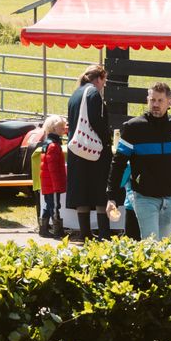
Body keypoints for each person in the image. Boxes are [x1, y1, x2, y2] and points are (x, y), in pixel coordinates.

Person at [107, 82, 171, 240]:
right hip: (144, 197)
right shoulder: (133, 127)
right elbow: (118, 163)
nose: (155, 104)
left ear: (169, 102)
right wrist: (112, 197)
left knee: (163, 245)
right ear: (147, 100)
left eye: (160, 100)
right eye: (152, 100)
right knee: (151, 243)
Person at [65, 64, 114, 242]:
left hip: (77, 149)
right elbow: (97, 122)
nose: (104, 85)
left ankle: (84, 232)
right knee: (100, 190)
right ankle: (104, 233)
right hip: (94, 150)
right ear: (99, 78)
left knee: (82, 190)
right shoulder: (93, 93)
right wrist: (107, 140)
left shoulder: (75, 94)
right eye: (104, 81)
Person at [37, 115, 67, 238]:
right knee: (54, 206)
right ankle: (57, 231)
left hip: (48, 182)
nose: (64, 129)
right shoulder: (53, 146)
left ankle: (43, 229)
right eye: (61, 127)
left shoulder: (48, 143)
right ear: (54, 128)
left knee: (49, 205)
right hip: (52, 183)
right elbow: (53, 168)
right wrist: (57, 185)